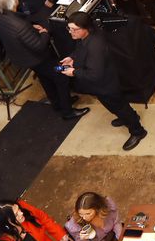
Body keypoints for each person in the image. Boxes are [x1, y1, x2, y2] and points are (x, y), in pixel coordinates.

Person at [0, 0, 87, 121]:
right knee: (61, 75)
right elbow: (40, 45)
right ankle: (67, 111)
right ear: (14, 0)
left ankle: (57, 104)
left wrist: (30, 28)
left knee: (45, 78)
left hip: (24, 58)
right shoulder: (20, 26)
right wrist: (45, 33)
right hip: (39, 58)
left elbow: (15, 31)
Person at [62, 11, 146, 151]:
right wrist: (72, 58)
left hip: (106, 86)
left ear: (86, 28)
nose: (71, 32)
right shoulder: (88, 35)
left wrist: (74, 72)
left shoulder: (95, 47)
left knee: (119, 107)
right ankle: (130, 116)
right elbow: (79, 49)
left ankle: (138, 131)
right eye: (69, 28)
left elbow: (95, 75)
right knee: (118, 107)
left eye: (75, 29)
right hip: (104, 84)